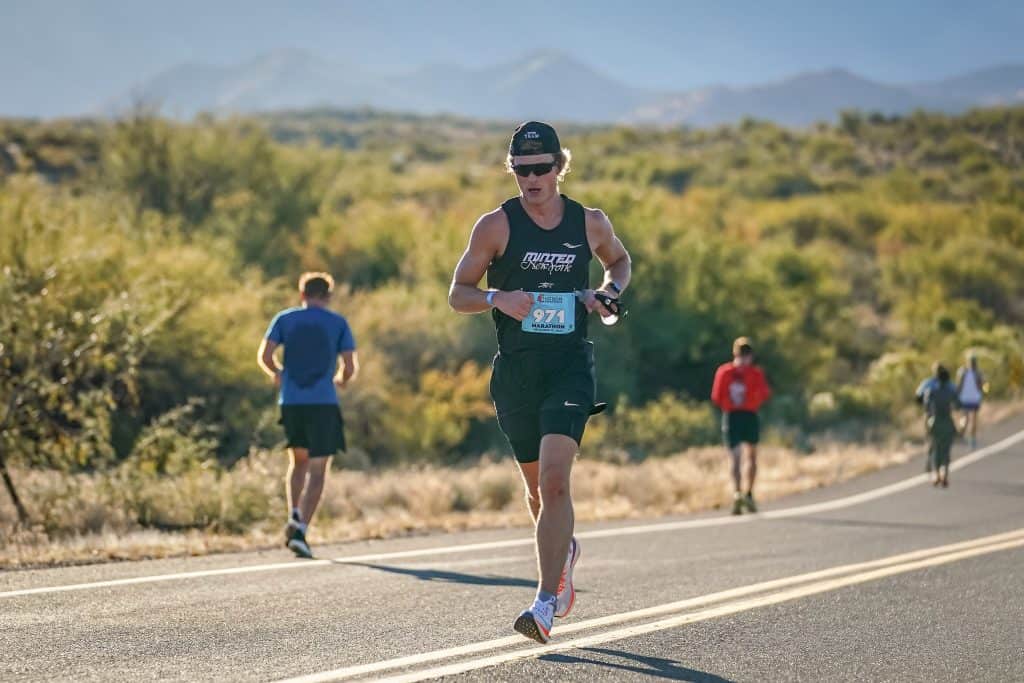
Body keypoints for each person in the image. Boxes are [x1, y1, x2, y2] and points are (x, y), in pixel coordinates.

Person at [448, 121, 631, 643]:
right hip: (517, 372)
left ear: (559, 168)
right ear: (513, 171)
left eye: (541, 168)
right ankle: (563, 551)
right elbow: (457, 293)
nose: (532, 179)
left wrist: (608, 294)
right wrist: (495, 298)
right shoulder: (495, 226)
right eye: (522, 170)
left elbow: (618, 262)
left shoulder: (588, 222)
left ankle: (545, 603)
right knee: (536, 493)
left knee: (555, 480)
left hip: (569, 365)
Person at [257, 272, 358, 558]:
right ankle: (301, 529)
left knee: (298, 462)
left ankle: (293, 512)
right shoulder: (338, 323)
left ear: (302, 295)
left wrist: (278, 375)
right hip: (323, 402)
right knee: (318, 469)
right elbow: (349, 365)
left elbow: (265, 355)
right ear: (328, 296)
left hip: (291, 401)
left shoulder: (284, 319)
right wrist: (341, 380)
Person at [711, 337, 771, 515]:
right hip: (734, 415)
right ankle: (738, 494)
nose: (744, 359)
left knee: (751, 456)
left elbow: (764, 393)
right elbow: (717, 396)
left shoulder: (755, 374)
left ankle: (749, 494)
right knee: (736, 457)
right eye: (741, 355)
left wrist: (750, 400)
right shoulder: (725, 372)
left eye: (746, 355)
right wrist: (732, 404)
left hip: (748, 414)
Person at [922, 363, 959, 487]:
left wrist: (928, 418)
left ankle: (937, 474)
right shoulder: (951, 390)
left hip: (936, 422)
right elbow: (958, 404)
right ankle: (945, 475)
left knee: (936, 449)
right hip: (947, 422)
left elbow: (926, 405)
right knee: (946, 450)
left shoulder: (932, 390)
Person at [956, 351, 987, 449]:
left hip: (973, 398)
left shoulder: (976, 372)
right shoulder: (963, 371)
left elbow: (984, 384)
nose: (972, 362)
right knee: (967, 419)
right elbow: (958, 385)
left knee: (971, 420)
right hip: (967, 398)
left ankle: (971, 439)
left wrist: (984, 391)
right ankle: (965, 435)